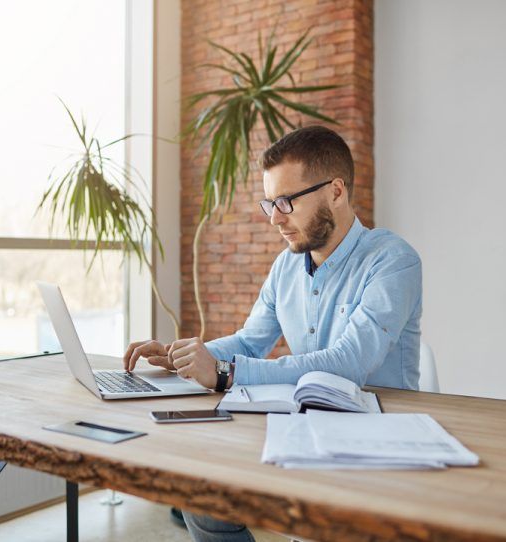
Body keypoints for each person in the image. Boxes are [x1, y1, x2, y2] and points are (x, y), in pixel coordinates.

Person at [122, 125, 422, 542]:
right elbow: (250, 341)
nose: (275, 219)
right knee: (203, 490)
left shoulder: (392, 261)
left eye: (286, 202)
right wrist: (182, 355)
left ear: (336, 191)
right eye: (270, 204)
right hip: (303, 427)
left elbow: (349, 363)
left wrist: (226, 373)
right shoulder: (286, 266)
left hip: (377, 442)